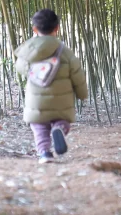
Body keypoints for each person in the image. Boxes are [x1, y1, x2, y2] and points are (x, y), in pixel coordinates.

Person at [14, 9, 88, 161]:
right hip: (62, 101)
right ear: (57, 28)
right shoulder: (65, 51)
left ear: (35, 29)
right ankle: (59, 129)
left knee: (39, 127)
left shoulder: (29, 50)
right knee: (61, 121)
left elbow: (20, 68)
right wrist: (82, 94)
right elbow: (77, 74)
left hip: (37, 100)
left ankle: (45, 153)